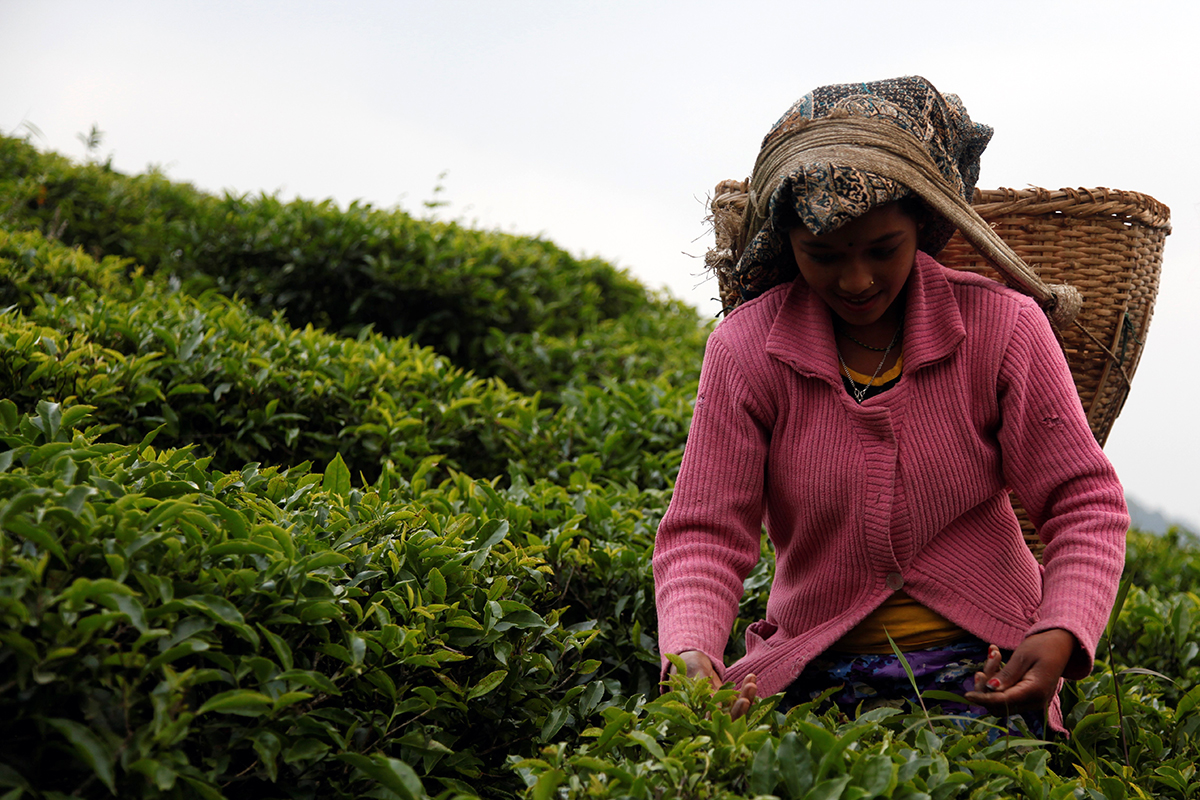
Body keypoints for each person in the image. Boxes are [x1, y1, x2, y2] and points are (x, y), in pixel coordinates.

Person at [652, 76, 1128, 734]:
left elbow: (1085, 503)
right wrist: (691, 653)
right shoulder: (746, 350)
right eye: (823, 256)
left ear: (925, 225)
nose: (856, 281)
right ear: (787, 244)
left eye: (883, 250)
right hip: (809, 668)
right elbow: (704, 534)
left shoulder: (1004, 330)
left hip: (983, 665)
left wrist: (1060, 628)